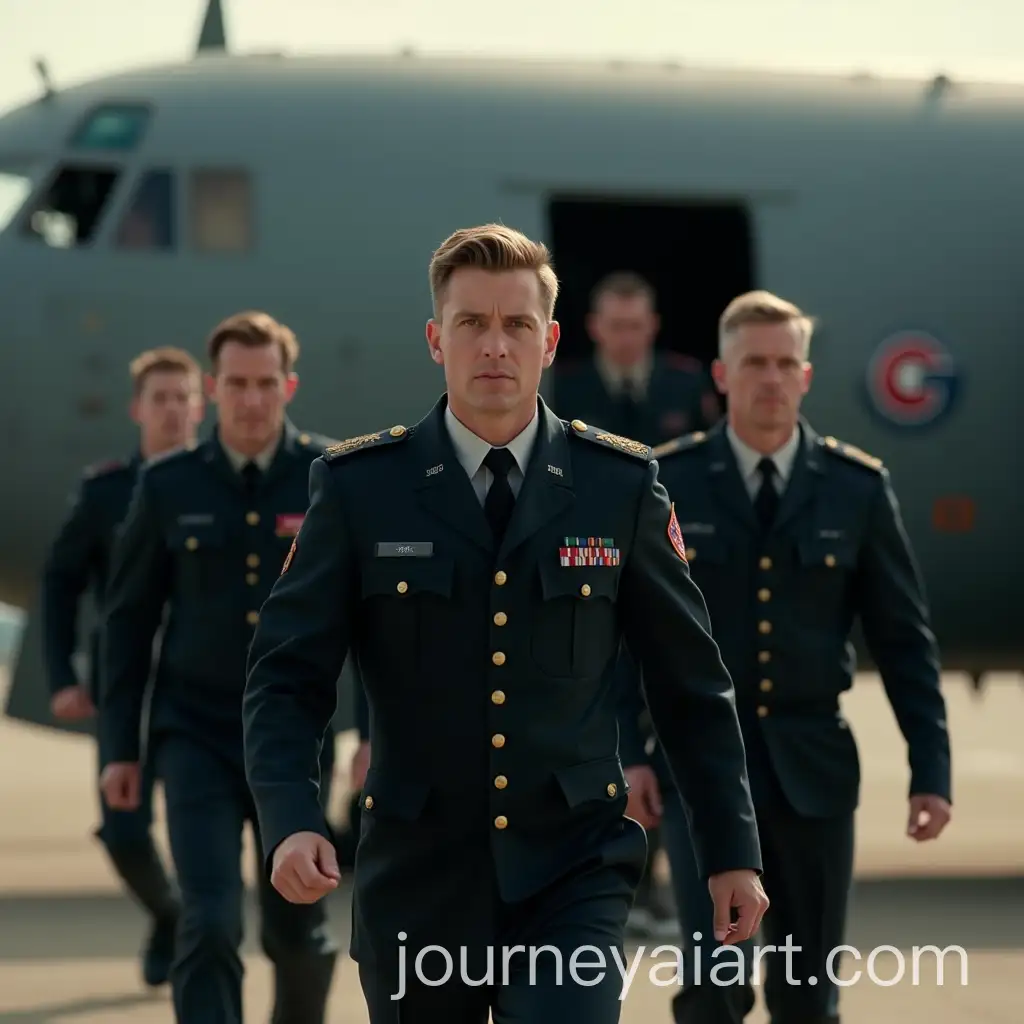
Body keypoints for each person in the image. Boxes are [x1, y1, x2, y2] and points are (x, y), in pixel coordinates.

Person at [242, 223, 768, 1024]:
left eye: (517, 324)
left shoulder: (618, 486)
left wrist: (731, 854)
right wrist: (289, 820)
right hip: (417, 880)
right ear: (434, 339)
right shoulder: (358, 490)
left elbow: (691, 685)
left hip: (573, 869)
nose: (496, 346)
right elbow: (286, 677)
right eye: (471, 324)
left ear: (551, 341)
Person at [620, 290, 953, 1024]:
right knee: (712, 992)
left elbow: (903, 640)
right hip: (701, 773)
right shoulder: (664, 483)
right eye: (753, 363)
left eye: (784, 363)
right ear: (721, 374)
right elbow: (624, 630)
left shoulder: (855, 489)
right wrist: (630, 752)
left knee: (808, 998)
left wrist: (931, 768)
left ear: (804, 376)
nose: (770, 378)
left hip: (815, 770)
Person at [98, 311, 341, 1024]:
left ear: (288, 385)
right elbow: (127, 625)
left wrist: (368, 741)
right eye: (237, 384)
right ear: (213, 387)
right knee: (208, 921)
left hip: (294, 740)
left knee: (297, 930)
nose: (253, 399)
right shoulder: (170, 484)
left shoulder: (327, 479)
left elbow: (361, 624)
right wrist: (120, 750)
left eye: (267, 383)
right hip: (195, 732)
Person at [41, 346, 204, 986]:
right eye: (159, 398)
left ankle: (200, 926)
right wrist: (61, 678)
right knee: (124, 831)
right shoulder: (108, 493)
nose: (171, 410)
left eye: (182, 397)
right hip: (125, 690)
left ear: (201, 404)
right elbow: (59, 584)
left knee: (202, 823)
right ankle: (169, 914)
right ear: (138, 409)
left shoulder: (223, 485)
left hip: (199, 687)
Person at [553, 271, 721, 446]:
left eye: (635, 326)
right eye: (616, 326)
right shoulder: (565, 386)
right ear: (593, 326)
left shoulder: (686, 382)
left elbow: (710, 449)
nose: (627, 339)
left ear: (653, 325)